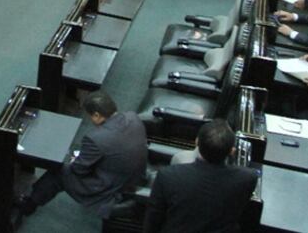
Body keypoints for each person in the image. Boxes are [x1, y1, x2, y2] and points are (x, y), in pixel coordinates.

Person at [17, 91, 147, 218]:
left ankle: (29, 205)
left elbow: (79, 170)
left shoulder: (96, 138)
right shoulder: (133, 117)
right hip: (133, 176)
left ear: (96, 115)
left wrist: (73, 160)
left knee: (59, 171)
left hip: (110, 186)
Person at [143, 121, 257, 233]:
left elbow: (153, 222)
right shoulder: (248, 178)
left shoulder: (167, 176)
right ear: (232, 151)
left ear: (196, 142)